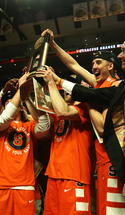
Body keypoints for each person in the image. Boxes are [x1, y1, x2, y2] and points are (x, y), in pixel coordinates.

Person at [44, 32, 125, 214]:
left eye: (124, 51)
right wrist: (53, 49)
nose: (119, 55)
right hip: (112, 163)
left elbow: (101, 126)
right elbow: (74, 66)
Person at [41, 29, 125, 214]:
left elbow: (102, 127)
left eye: (98, 62)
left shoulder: (115, 86)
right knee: (105, 210)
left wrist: (87, 96)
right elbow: (74, 65)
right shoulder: (99, 85)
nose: (94, 67)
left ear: (111, 66)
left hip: (114, 158)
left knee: (113, 211)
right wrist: (53, 44)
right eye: (93, 63)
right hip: (102, 160)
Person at [0, 73, 50, 215]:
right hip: (0, 185)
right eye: (7, 101)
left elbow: (45, 126)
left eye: (14, 100)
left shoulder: (29, 126)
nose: (11, 102)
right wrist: (20, 91)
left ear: (22, 107)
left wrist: (26, 98)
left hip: (25, 186)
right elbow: (6, 118)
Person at [36, 67, 94, 214]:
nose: (68, 90)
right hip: (54, 175)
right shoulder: (58, 112)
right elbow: (42, 116)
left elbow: (63, 112)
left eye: (73, 86)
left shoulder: (86, 108)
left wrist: (51, 83)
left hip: (75, 175)